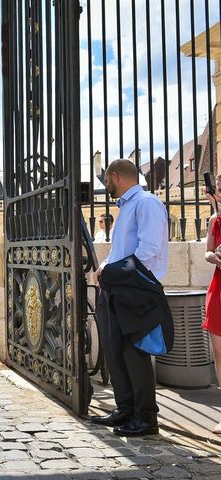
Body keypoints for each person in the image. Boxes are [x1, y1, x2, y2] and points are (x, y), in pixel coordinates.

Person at [92, 159, 169, 437]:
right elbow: (121, 249)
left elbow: (149, 249)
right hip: (118, 286)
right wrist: (104, 268)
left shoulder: (146, 203)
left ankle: (146, 417)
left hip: (137, 288)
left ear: (115, 176)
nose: (106, 185)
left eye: (107, 181)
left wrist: (117, 272)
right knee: (116, 351)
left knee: (134, 353)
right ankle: (125, 409)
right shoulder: (126, 207)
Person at [203, 174, 221, 434]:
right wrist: (215, 255)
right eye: (219, 189)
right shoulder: (214, 220)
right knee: (220, 353)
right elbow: (206, 252)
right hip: (219, 287)